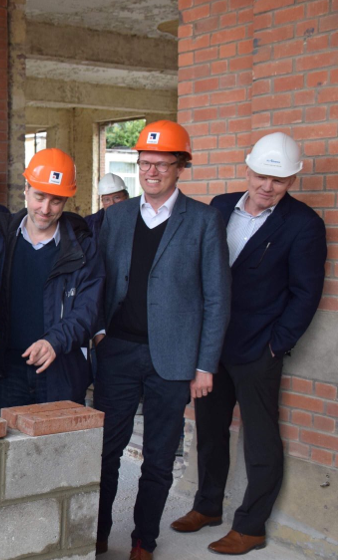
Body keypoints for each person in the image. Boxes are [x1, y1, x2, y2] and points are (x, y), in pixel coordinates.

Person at [170, 132, 326, 555]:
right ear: (247, 168)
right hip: (212, 348)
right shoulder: (220, 207)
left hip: (259, 350)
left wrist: (276, 345)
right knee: (210, 431)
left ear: (291, 180)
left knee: (260, 440)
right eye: (260, 176)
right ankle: (207, 506)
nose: (266, 186)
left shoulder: (304, 225)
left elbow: (305, 294)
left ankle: (252, 526)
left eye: (277, 181)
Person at [93, 120, 230, 560]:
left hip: (173, 360)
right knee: (106, 451)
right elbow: (97, 280)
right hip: (116, 352)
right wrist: (96, 332)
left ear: (180, 167)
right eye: (144, 162)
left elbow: (216, 298)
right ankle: (98, 535)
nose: (150, 172)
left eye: (161, 164)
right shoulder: (115, 217)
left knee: (158, 456)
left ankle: (142, 541)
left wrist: (205, 364)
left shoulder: (205, 220)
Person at [0, 148, 104, 411]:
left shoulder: (83, 248)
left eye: (56, 201)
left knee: (60, 447)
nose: (45, 209)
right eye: (39, 197)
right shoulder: (1, 239)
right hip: (8, 372)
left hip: (62, 371)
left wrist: (54, 341)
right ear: (26, 190)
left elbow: (88, 309)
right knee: (10, 448)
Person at [85, 173, 129, 240]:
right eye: (107, 199)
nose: (112, 203)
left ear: (126, 197)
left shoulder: (136, 220)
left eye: (117, 197)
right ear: (102, 201)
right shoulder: (89, 223)